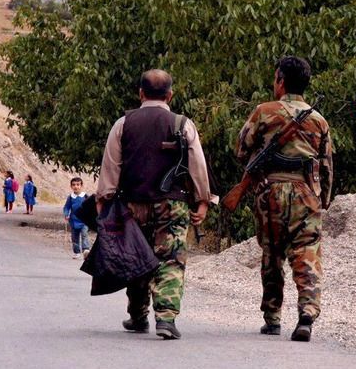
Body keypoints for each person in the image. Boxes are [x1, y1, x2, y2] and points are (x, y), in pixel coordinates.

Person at [96, 69, 216, 340]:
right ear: (170, 95)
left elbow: (110, 166)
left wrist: (103, 201)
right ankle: (166, 319)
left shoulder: (123, 124)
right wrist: (203, 201)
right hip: (171, 205)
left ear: (140, 93)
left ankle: (138, 316)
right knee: (171, 260)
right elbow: (197, 165)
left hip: (132, 204)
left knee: (136, 257)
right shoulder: (182, 124)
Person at [235, 56, 333, 342]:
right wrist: (323, 199)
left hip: (270, 191)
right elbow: (326, 164)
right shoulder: (319, 120)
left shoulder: (263, 112)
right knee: (307, 253)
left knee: (272, 254)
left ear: (280, 81)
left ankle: (273, 317)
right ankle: (307, 313)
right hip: (306, 193)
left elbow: (241, 149)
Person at [63, 177, 90, 258]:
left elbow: (90, 206)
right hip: (74, 221)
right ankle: (77, 252)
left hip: (84, 220)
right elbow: (66, 207)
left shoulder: (85, 196)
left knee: (84, 234)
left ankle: (86, 250)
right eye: (74, 185)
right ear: (71, 186)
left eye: (78, 185)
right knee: (75, 237)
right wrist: (66, 214)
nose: (76, 186)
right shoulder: (70, 197)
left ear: (81, 186)